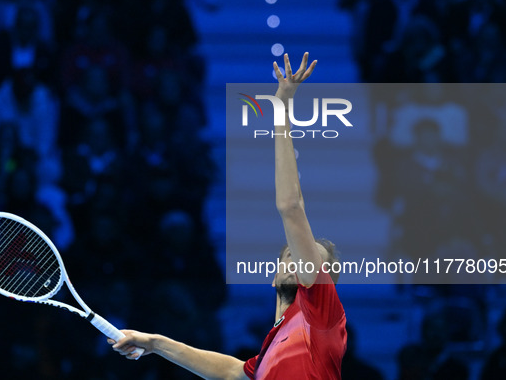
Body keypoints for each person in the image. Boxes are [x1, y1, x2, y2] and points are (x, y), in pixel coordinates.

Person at [109, 53, 347, 379]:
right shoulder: (275, 346)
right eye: (292, 254)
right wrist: (156, 342)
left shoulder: (322, 317)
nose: (300, 260)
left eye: (311, 261)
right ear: (273, 276)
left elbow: (291, 208)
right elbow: (232, 372)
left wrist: (281, 111)